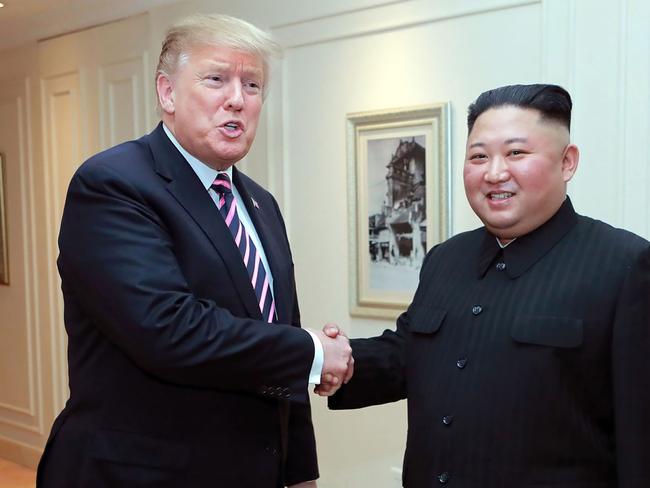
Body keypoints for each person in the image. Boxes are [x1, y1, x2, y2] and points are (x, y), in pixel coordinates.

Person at [36, 14, 352, 488]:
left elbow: (276, 336)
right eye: (216, 79)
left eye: (252, 85)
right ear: (167, 93)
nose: (237, 100)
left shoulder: (261, 204)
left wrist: (298, 471)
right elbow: (169, 329)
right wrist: (311, 351)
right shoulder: (114, 183)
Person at [325, 84, 650, 487]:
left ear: (567, 162)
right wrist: (325, 359)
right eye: (479, 156)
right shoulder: (446, 259)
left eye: (516, 153)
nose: (495, 172)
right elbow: (410, 356)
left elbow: (641, 435)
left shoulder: (625, 265)